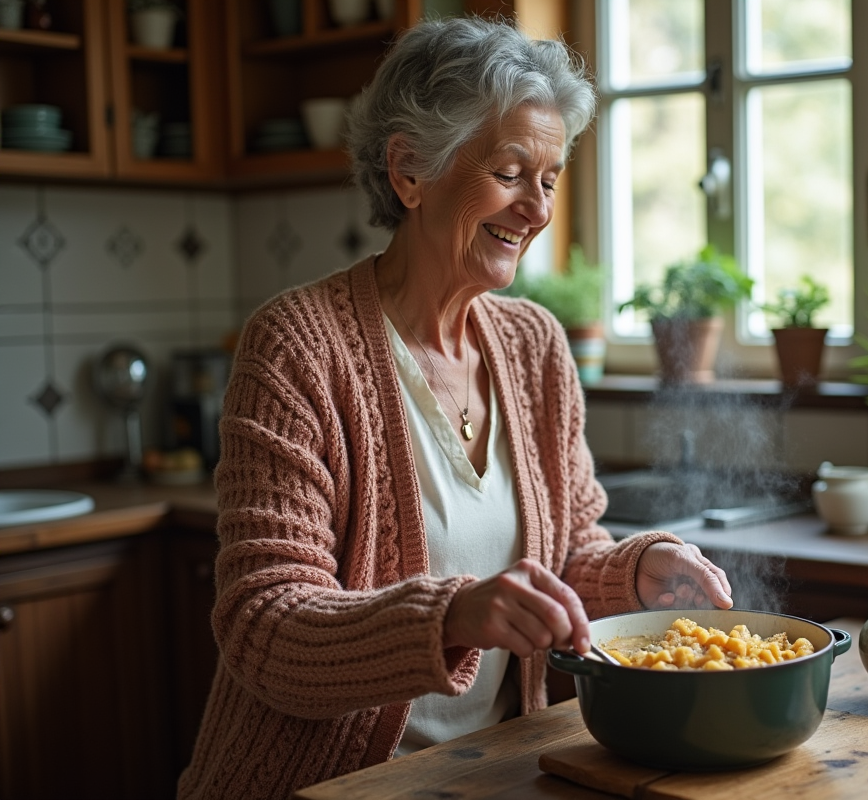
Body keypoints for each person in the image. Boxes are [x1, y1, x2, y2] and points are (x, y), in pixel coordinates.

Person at [178, 16, 733, 800]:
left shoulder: (535, 344)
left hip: (498, 774)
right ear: (409, 170)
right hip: (328, 784)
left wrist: (639, 572)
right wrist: (450, 618)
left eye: (549, 179)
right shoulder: (297, 347)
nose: (536, 210)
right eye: (510, 173)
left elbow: (567, 557)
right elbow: (264, 627)